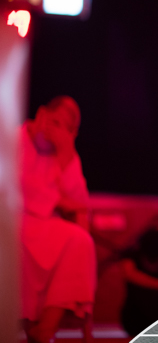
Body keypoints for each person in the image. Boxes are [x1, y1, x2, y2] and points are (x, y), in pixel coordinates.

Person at [19, 96, 96, 343]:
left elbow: (79, 203)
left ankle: (46, 330)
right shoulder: (12, 139)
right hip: (14, 219)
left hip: (46, 224)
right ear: (41, 114)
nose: (55, 132)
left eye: (65, 129)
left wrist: (65, 154)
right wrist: (56, 200)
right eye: (54, 122)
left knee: (79, 241)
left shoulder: (63, 152)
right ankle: (28, 326)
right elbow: (14, 185)